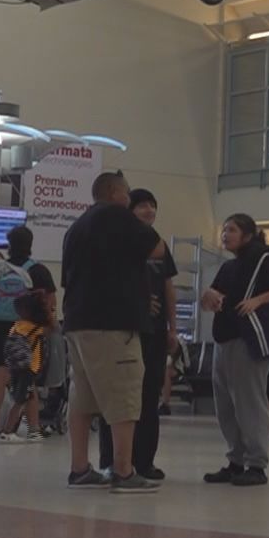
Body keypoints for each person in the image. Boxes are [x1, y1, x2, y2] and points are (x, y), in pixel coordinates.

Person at [61, 171, 165, 494]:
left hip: (78, 321)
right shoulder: (118, 217)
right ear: (116, 193)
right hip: (112, 324)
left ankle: (79, 468)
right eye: (129, 193)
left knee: (82, 398)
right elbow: (158, 249)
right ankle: (123, 470)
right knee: (124, 396)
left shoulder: (76, 226)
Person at [201, 214, 269, 486]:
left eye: (231, 230)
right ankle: (236, 459)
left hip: (248, 341)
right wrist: (207, 297)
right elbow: (211, 298)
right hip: (225, 340)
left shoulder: (263, 259)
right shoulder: (230, 267)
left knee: (249, 401)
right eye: (224, 229)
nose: (225, 234)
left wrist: (258, 300)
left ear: (247, 235)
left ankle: (256, 464)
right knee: (226, 404)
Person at [97, 188, 176, 480]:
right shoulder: (118, 244)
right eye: (142, 205)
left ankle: (144, 461)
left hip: (154, 332)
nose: (148, 211)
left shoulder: (159, 246)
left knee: (148, 396)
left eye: (152, 206)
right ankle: (112, 461)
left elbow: (168, 288)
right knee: (117, 397)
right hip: (124, 329)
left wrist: (173, 327)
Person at [0, 227, 55, 439]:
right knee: (27, 378)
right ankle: (33, 428)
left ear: (9, 244)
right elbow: (50, 302)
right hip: (26, 329)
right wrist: (50, 326)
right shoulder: (38, 270)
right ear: (31, 244)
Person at [0, 293, 51, 443]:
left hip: (15, 368)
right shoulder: (36, 328)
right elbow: (52, 328)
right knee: (20, 401)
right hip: (28, 369)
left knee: (25, 398)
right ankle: (8, 431)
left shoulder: (17, 326)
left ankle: (32, 431)